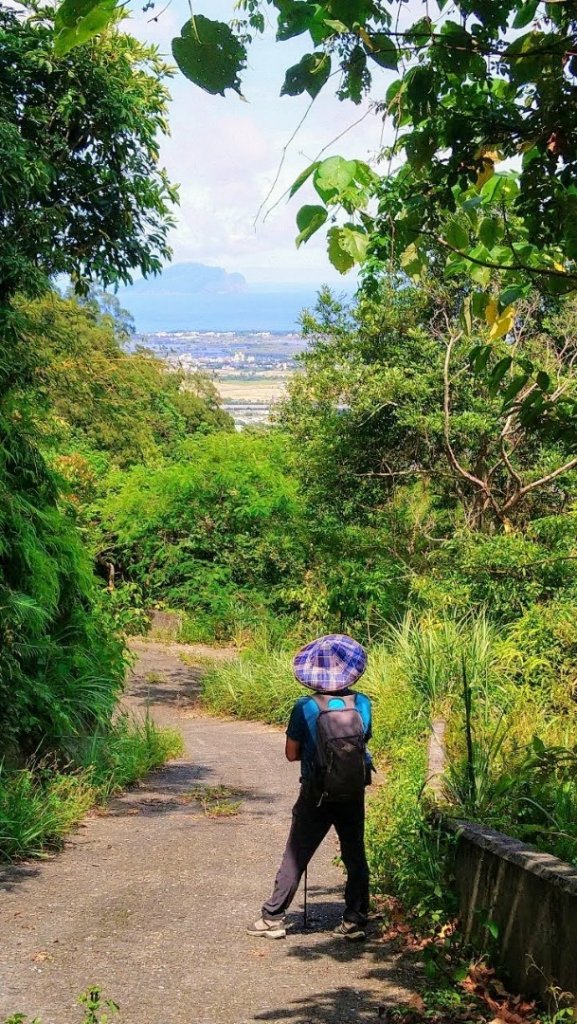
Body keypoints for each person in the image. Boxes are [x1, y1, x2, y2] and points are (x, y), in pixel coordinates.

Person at [247, 633, 373, 942]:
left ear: (312, 675)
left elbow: (291, 754)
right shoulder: (363, 703)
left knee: (297, 853)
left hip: (316, 794)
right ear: (349, 671)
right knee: (354, 853)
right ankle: (355, 917)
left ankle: (273, 917)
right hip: (353, 790)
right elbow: (362, 742)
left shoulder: (304, 706)